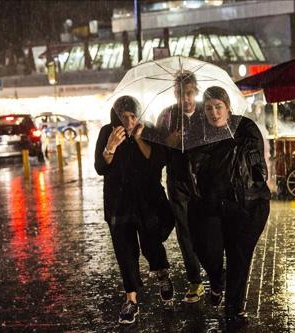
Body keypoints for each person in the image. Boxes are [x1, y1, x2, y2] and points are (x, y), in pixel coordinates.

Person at [188, 86, 271, 325]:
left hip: (247, 205)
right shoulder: (198, 133)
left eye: (218, 107)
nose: (214, 113)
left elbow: (256, 167)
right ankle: (217, 279)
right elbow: (193, 166)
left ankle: (234, 310)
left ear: (227, 107)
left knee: (238, 258)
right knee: (207, 251)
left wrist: (231, 146)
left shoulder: (244, 128)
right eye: (209, 108)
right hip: (211, 206)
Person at [94, 96, 174, 325]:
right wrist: (110, 147)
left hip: (147, 202)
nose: (128, 122)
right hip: (119, 203)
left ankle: (162, 274)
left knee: (151, 244)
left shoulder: (149, 131)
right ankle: (131, 299)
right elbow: (100, 168)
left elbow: (158, 162)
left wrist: (139, 140)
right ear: (115, 118)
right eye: (123, 117)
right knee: (125, 252)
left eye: (132, 116)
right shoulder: (106, 133)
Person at [156, 70, 206, 303]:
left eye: (189, 93)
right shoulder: (167, 116)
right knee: (184, 232)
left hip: (203, 181)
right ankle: (195, 281)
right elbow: (158, 153)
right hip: (177, 181)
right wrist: (170, 143)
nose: (185, 99)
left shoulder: (207, 112)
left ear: (195, 91)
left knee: (207, 229)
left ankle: (215, 273)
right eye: (180, 94)